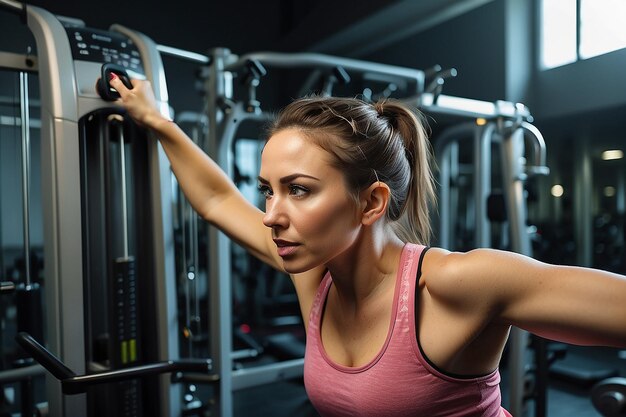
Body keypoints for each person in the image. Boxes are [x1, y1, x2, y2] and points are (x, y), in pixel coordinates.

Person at [107, 72, 626, 417]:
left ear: (372, 202)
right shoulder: (312, 273)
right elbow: (219, 201)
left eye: (299, 190)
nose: (270, 216)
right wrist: (155, 120)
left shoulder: (452, 283)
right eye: (268, 191)